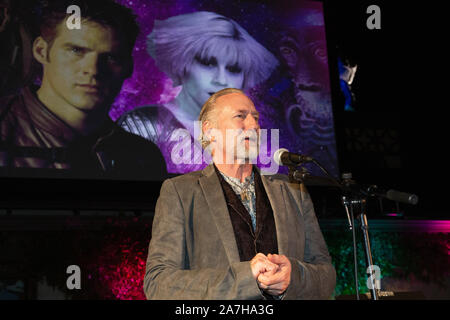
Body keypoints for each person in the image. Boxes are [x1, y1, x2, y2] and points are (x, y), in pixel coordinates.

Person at [144, 88, 336, 300]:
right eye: (240, 116)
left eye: (256, 118)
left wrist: (294, 277)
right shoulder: (180, 192)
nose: (254, 125)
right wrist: (245, 278)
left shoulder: (293, 190)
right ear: (210, 131)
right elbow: (158, 283)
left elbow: (325, 275)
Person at [0, 0, 167, 180]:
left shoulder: (142, 157)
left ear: (128, 66)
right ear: (41, 50)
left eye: (110, 57)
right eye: (76, 50)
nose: (93, 69)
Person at [117, 11, 278, 174]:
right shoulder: (143, 125)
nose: (221, 80)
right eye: (208, 63)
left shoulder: (246, 137)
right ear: (182, 65)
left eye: (233, 69)